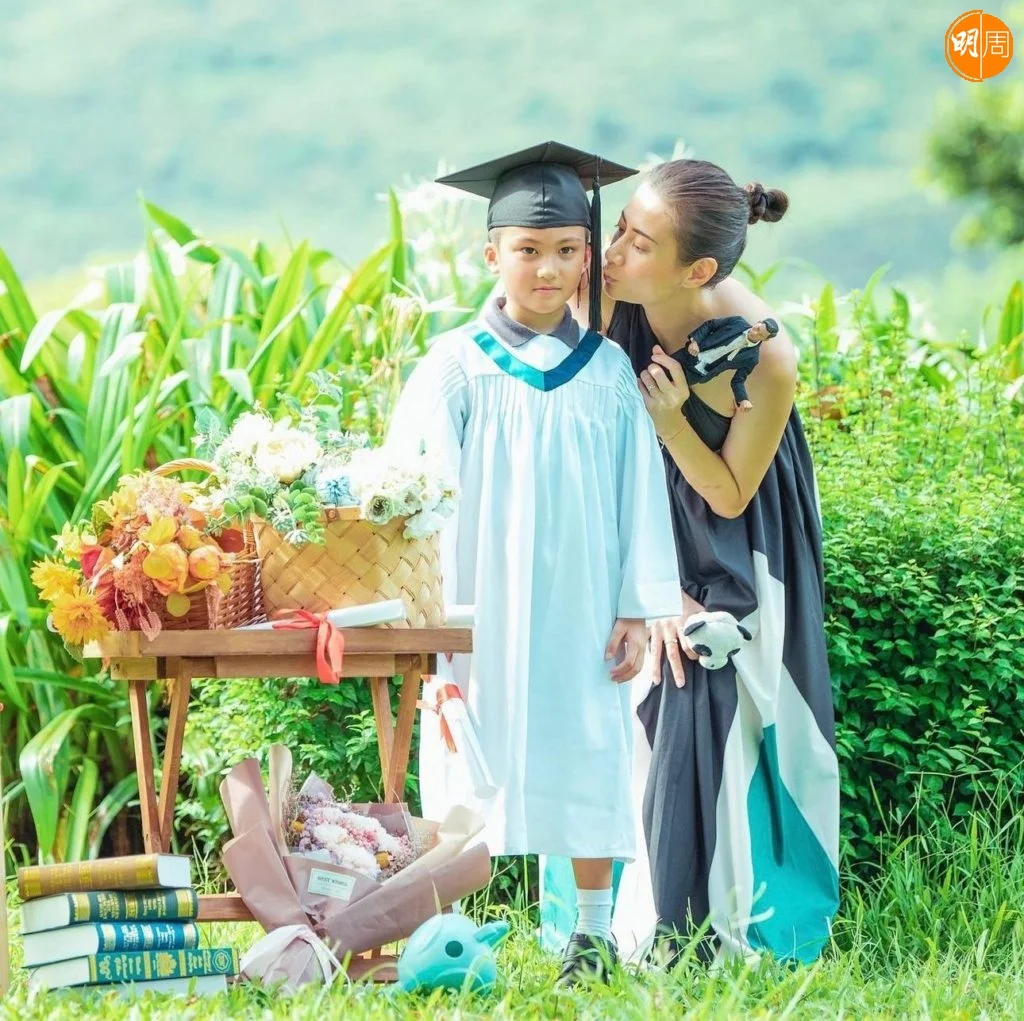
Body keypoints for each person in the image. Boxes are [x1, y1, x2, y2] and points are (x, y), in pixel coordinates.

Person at [385, 141, 681, 986]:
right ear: (492, 255)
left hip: (585, 600)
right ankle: (450, 932)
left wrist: (637, 606)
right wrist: (424, 615)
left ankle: (590, 933)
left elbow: (639, 493)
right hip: (476, 603)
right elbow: (409, 495)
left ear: (587, 257)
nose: (546, 269)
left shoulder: (609, 372)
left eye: (564, 250)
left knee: (590, 747)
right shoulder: (455, 366)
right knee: (465, 760)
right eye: (527, 249)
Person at [567, 159, 839, 967]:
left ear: (698, 271)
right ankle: (590, 910)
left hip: (730, 531)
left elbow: (728, 494)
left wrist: (672, 420)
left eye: (639, 243)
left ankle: (706, 908)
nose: (614, 251)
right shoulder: (605, 289)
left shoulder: (763, 356)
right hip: (634, 501)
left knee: (704, 667)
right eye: (620, 228)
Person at [680, 316, 779, 410]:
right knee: (668, 369)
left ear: (766, 339)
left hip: (699, 373)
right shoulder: (737, 322)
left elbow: (738, 380)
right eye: (757, 328)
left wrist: (743, 399)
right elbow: (710, 325)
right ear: (758, 322)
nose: (754, 333)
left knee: (674, 388)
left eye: (760, 335)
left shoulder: (753, 358)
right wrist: (695, 342)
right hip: (691, 353)